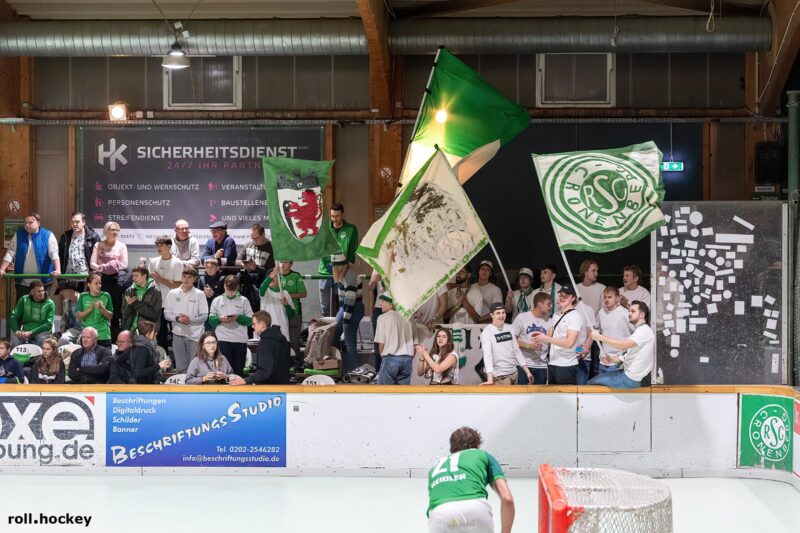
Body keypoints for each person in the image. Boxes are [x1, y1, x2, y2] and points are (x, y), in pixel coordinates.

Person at [427, 427, 516, 533]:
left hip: (439, 514)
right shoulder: (483, 455)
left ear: (451, 449)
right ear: (478, 445)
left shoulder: (435, 467)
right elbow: (507, 499)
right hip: (476, 510)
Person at [588, 301, 654, 389]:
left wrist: (600, 337)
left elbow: (622, 345)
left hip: (630, 378)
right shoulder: (638, 331)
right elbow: (624, 357)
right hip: (625, 374)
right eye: (629, 311)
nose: (629, 314)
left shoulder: (644, 330)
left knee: (590, 385)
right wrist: (612, 360)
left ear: (642, 315)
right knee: (593, 383)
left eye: (633, 311)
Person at [0, 212, 61, 302]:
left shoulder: (48, 235)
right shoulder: (18, 235)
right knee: (22, 308)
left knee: (42, 308)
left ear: (38, 223)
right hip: (23, 283)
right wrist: (2, 269)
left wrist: (57, 269)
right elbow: (10, 252)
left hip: (43, 283)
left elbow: (54, 254)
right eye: (25, 223)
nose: (27, 225)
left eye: (30, 222)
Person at [532, 284, 585, 385]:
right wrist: (539, 338)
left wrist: (546, 338)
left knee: (565, 394)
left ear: (573, 298)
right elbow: (550, 334)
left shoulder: (575, 316)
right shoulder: (556, 314)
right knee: (553, 394)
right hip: (552, 362)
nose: (562, 298)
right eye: (561, 295)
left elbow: (569, 343)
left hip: (566, 365)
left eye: (566, 296)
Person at [317, 203, 359, 316]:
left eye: (337, 216)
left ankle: (341, 324)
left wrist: (344, 267)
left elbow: (352, 251)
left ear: (342, 214)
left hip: (343, 271)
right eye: (332, 216)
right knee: (325, 307)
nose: (334, 219)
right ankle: (326, 325)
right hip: (325, 270)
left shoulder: (351, 229)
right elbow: (321, 250)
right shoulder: (324, 229)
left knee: (342, 304)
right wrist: (331, 265)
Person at [164, 268, 208, 373]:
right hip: (177, 333)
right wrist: (177, 319)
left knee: (194, 366)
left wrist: (190, 319)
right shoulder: (172, 293)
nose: (186, 279)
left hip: (195, 335)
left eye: (189, 277)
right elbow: (167, 314)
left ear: (194, 279)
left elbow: (204, 316)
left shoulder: (200, 294)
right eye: (184, 276)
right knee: (180, 367)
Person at [90, 220, 129, 337]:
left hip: (116, 281)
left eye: (117, 230)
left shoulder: (122, 246)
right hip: (102, 280)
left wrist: (111, 266)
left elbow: (125, 264)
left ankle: (115, 335)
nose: (115, 232)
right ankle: (99, 333)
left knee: (115, 308)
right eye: (113, 229)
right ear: (106, 231)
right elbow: (92, 263)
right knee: (102, 305)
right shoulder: (98, 245)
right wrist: (101, 268)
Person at [230, 310, 290, 386]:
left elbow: (264, 372)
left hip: (270, 388)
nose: (252, 326)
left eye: (254, 324)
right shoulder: (282, 339)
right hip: (284, 386)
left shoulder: (266, 343)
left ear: (262, 324)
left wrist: (245, 381)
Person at [209, 275, 253, 377]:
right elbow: (211, 320)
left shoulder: (244, 300)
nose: (230, 292)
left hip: (240, 340)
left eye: (233, 290)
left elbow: (250, 321)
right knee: (223, 371)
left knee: (238, 371)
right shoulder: (217, 300)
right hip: (222, 340)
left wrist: (238, 318)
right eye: (229, 289)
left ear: (237, 287)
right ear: (224, 286)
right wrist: (219, 319)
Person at [479, 303, 531, 385]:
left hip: (514, 374)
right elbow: (487, 355)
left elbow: (516, 350)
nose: (501, 316)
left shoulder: (510, 328)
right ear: (492, 315)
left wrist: (527, 371)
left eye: (503, 312)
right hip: (500, 377)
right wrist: (490, 379)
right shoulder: (487, 332)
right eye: (498, 313)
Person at [147, 235, 184, 351]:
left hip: (173, 304)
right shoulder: (153, 262)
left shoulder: (177, 263)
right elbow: (149, 282)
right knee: (160, 333)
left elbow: (178, 285)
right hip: (158, 303)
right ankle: (164, 357)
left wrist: (160, 279)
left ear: (169, 246)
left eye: (161, 245)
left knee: (176, 332)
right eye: (157, 245)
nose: (158, 248)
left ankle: (176, 358)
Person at [331, 252, 364, 373]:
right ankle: (340, 366)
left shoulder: (349, 275)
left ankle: (352, 371)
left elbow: (350, 300)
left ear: (338, 266)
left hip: (352, 308)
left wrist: (346, 320)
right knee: (334, 335)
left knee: (349, 341)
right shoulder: (344, 273)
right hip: (345, 307)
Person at [511, 292, 552, 385]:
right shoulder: (522, 317)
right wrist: (529, 346)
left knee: (539, 394)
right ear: (539, 304)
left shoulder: (551, 321)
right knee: (521, 393)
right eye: (548, 304)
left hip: (541, 365)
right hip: (522, 364)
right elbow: (511, 340)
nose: (551, 307)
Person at [374, 294, 415, 385]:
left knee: (386, 392)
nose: (380, 304)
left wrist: (384, 360)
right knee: (402, 392)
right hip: (407, 360)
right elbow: (414, 344)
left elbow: (381, 344)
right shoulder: (409, 318)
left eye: (383, 301)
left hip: (391, 359)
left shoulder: (382, 318)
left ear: (391, 304)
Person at [57, 211, 101, 293]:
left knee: (85, 300)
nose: (75, 224)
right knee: (70, 301)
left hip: (86, 277)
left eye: (77, 222)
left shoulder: (93, 237)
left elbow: (99, 256)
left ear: (83, 222)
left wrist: (97, 272)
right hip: (69, 277)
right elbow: (59, 256)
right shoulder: (65, 236)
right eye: (72, 222)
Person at [238, 223, 275, 313]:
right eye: (252, 238)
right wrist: (242, 264)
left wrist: (256, 268)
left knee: (268, 274)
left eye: (256, 238)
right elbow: (237, 260)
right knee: (238, 275)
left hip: (262, 276)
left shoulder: (271, 247)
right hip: (249, 274)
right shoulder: (248, 245)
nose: (254, 240)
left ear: (263, 234)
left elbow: (270, 269)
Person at [596, 286, 634, 373]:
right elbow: (599, 330)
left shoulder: (625, 313)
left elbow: (635, 333)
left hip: (618, 361)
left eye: (609, 297)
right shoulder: (601, 312)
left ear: (617, 298)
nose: (606, 300)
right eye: (605, 297)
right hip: (603, 360)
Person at [10, 280, 55, 348]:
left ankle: (39, 355)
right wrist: (16, 331)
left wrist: (31, 332)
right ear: (32, 291)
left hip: (42, 331)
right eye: (38, 291)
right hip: (25, 331)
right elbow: (13, 316)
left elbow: (48, 324)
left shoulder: (50, 303)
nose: (42, 293)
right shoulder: (24, 299)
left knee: (42, 339)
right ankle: (17, 355)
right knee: (15, 337)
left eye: (42, 290)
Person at [276, 260, 307, 362]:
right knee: (281, 339)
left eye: (285, 262)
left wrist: (287, 296)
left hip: (294, 312)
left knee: (294, 340)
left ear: (291, 264)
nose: (282, 264)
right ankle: (282, 362)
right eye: (281, 262)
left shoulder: (296, 276)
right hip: (279, 313)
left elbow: (303, 294)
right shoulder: (275, 276)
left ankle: (295, 363)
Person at [75, 272, 113, 348]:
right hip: (88, 336)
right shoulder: (83, 296)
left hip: (103, 335)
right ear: (89, 284)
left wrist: (102, 308)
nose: (99, 285)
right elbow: (79, 316)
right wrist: (89, 310)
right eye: (96, 283)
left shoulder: (106, 295)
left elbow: (110, 316)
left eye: (100, 283)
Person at [121, 266, 161, 333]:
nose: (133, 278)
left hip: (147, 332)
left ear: (144, 276)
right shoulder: (129, 291)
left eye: (136, 276)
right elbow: (124, 314)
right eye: (133, 276)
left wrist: (135, 303)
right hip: (131, 331)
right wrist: (129, 306)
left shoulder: (155, 291)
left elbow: (153, 315)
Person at [198, 257, 225, 329]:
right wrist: (204, 294)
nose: (209, 269)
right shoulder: (201, 279)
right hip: (205, 310)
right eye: (207, 267)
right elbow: (197, 295)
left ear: (217, 268)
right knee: (206, 332)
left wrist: (213, 294)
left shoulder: (222, 279)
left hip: (218, 311)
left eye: (212, 267)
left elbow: (225, 297)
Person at [57, 282, 82, 346]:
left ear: (70, 291)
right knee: (63, 339)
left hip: (85, 329)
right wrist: (62, 325)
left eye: (62, 291)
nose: (61, 293)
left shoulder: (84, 299)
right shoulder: (65, 302)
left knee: (81, 341)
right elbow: (65, 316)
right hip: (73, 329)